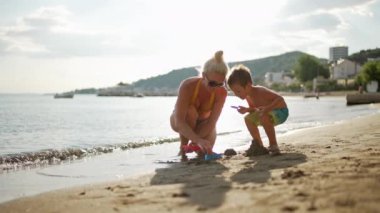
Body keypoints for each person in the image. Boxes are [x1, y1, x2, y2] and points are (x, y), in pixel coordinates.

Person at [170, 51, 229, 160]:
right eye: (212, 83)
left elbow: (211, 123)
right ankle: (183, 148)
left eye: (220, 84)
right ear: (203, 76)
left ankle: (190, 146)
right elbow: (179, 121)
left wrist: (196, 142)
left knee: (203, 153)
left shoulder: (222, 92)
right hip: (180, 121)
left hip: (204, 125)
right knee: (190, 111)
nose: (216, 88)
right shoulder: (188, 86)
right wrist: (197, 140)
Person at [227, 64, 288, 156]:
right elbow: (255, 110)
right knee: (248, 119)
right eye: (234, 92)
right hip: (267, 114)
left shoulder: (260, 91)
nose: (236, 94)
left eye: (238, 91)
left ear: (248, 85)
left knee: (263, 115)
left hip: (281, 111)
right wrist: (247, 110)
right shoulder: (248, 96)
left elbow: (280, 99)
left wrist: (267, 109)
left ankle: (273, 145)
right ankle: (259, 145)